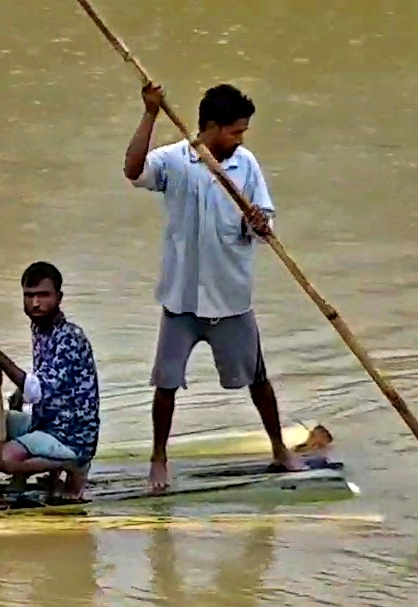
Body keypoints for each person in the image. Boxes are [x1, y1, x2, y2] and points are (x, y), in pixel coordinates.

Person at [123, 81, 306, 493]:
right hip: (181, 300)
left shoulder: (246, 166)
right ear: (210, 127)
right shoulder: (175, 161)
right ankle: (158, 458)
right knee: (165, 383)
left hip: (230, 299)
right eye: (235, 132)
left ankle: (279, 448)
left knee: (258, 379)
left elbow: (264, 224)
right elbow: (133, 170)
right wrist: (150, 112)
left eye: (243, 133)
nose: (240, 140)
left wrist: (259, 224)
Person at [0, 262, 101, 503]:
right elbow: (46, 379)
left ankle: (75, 463)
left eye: (43, 295)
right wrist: (20, 391)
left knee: (2, 457)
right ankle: (37, 474)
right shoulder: (40, 327)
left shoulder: (69, 338)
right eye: (29, 296)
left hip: (71, 434)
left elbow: (40, 391)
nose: (36, 303)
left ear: (59, 297)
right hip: (47, 420)